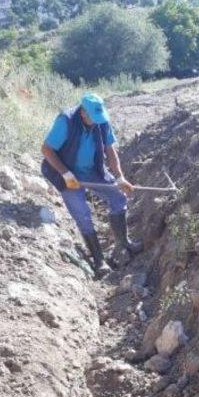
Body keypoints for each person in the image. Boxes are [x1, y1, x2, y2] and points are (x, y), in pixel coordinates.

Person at [41, 93, 142, 278]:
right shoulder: (66, 121)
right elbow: (46, 149)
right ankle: (99, 261)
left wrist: (119, 177)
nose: (96, 123)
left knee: (118, 196)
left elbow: (110, 150)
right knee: (83, 215)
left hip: (92, 171)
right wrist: (66, 174)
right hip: (65, 171)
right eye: (92, 119)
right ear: (82, 113)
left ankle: (123, 243)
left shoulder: (101, 121)